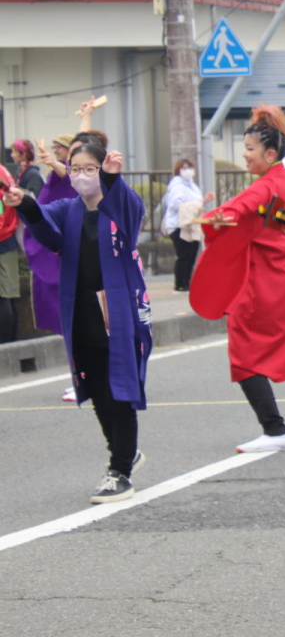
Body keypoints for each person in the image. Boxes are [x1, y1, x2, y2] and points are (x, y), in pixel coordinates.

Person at [6, 141, 152, 502]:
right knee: (97, 388)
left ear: (103, 170)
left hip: (117, 310)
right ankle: (124, 453)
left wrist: (114, 181)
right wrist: (23, 200)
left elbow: (129, 212)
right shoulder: (68, 209)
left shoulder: (121, 203)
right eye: (75, 168)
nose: (81, 176)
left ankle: (120, 470)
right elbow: (45, 228)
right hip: (82, 310)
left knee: (119, 389)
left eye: (90, 169)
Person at [201, 106, 285, 453]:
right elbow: (267, 217)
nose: (244, 155)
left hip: (263, 284)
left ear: (270, 153)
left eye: (250, 150)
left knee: (243, 352)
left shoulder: (265, 186)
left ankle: (274, 430)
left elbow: (235, 211)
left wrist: (206, 218)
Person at [26, 134, 78, 336]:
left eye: (59, 147)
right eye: (54, 146)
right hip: (49, 227)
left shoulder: (73, 173)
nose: (56, 150)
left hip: (63, 231)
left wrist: (53, 163)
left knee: (59, 280)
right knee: (47, 283)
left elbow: (67, 172)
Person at [161, 159, 207, 292]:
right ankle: (180, 283)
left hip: (190, 224)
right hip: (179, 225)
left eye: (189, 168)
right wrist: (195, 205)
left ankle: (187, 281)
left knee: (191, 254)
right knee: (184, 255)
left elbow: (197, 202)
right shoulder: (177, 185)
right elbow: (176, 204)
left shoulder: (192, 185)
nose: (187, 171)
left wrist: (202, 203)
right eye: (184, 168)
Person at [0, 162, 18, 343]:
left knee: (3, 296)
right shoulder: (4, 171)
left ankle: (5, 343)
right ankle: (11, 340)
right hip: (8, 237)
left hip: (2, 239)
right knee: (9, 295)